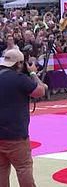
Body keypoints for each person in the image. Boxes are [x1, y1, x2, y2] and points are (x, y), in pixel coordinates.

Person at [0, 49, 47, 187]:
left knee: (1, 169)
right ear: (20, 63)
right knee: (23, 167)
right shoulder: (20, 79)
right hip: (16, 134)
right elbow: (40, 91)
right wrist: (33, 73)